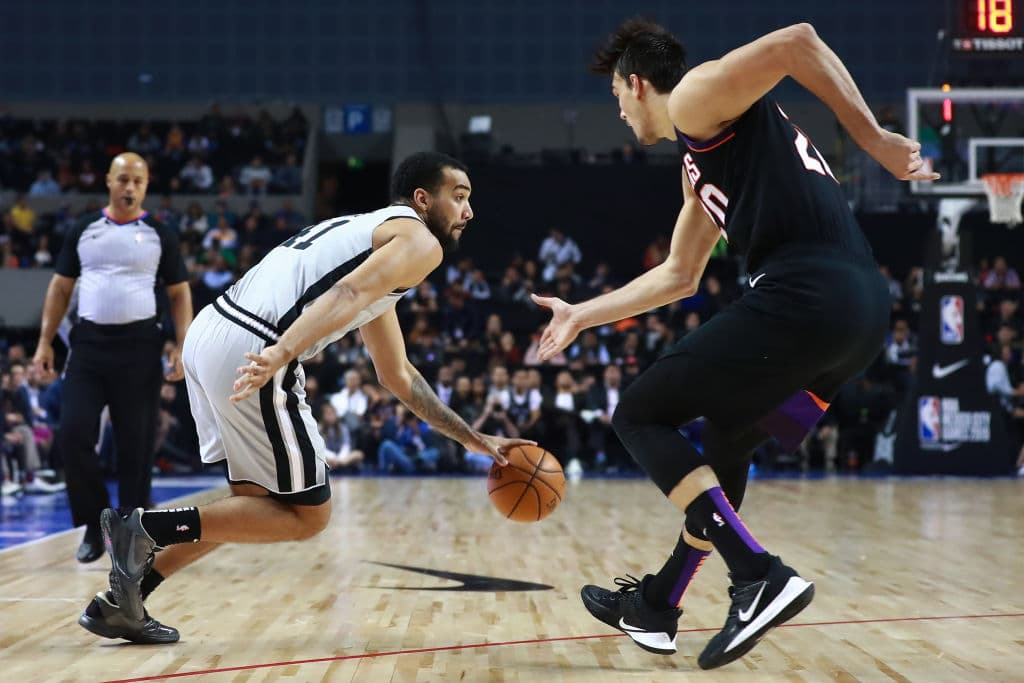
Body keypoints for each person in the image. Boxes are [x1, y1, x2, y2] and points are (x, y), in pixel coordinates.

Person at [531, 20, 936, 670]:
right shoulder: (697, 161)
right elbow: (679, 275)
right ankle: (658, 605)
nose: (620, 111)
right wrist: (581, 314)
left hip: (807, 297)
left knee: (638, 412)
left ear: (638, 84)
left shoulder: (695, 98)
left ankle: (758, 576)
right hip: (857, 324)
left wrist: (875, 140)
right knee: (729, 441)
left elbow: (797, 41)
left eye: (616, 96)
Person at [78, 152, 532, 644]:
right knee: (308, 514)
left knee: (253, 507)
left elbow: (397, 374)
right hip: (255, 343)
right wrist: (282, 351)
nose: (469, 211)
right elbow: (348, 294)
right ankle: (143, 527)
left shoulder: (368, 236)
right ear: (423, 199)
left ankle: (124, 600)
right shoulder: (421, 242)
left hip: (214, 331)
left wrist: (470, 437)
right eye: (459, 197)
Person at [33, 153, 192, 563]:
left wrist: (182, 343)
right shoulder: (84, 229)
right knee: (73, 433)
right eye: (123, 179)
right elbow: (60, 287)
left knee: (135, 446)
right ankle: (94, 522)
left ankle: (132, 532)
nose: (129, 187)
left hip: (141, 346)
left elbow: (179, 293)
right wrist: (45, 342)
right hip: (88, 346)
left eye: (137, 181)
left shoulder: (160, 234)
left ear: (146, 185)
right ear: (108, 181)